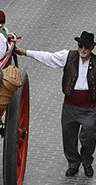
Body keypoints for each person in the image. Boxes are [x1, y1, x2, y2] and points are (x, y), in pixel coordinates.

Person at [15, 31, 96, 177]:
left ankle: (87, 162)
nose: (83, 49)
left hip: (90, 108)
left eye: (87, 47)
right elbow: (48, 57)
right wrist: (26, 52)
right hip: (70, 106)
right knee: (68, 137)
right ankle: (73, 163)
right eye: (80, 45)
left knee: (89, 136)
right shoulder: (68, 56)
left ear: (92, 48)